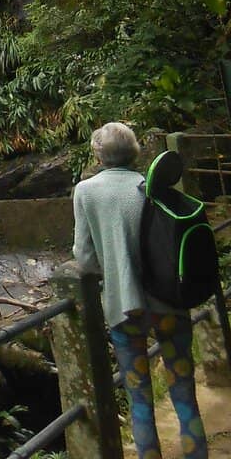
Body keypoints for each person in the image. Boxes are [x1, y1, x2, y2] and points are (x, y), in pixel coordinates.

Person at [72, 121, 209, 459]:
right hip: (168, 305)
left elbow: (86, 259)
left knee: (140, 398)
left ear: (98, 154)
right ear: (134, 152)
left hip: (125, 308)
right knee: (183, 391)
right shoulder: (150, 186)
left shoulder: (86, 191)